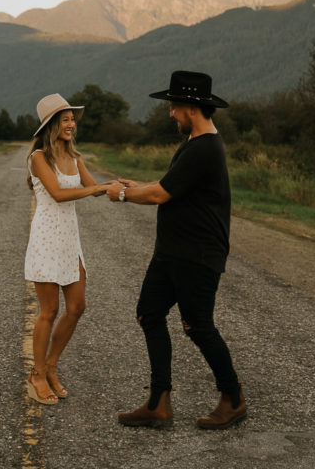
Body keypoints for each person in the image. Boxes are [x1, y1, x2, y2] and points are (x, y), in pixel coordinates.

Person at [106, 70, 246, 430]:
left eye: (173, 107)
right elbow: (167, 184)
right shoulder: (192, 144)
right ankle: (158, 402)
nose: (170, 114)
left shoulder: (206, 148)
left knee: (198, 326)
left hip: (197, 255)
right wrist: (138, 184)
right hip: (171, 252)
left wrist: (123, 194)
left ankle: (233, 399)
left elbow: (160, 194)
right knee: (149, 314)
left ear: (192, 109)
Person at [24, 93, 113, 405]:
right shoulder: (38, 158)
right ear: (51, 125)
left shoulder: (76, 159)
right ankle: (36, 375)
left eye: (73, 119)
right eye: (65, 119)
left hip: (70, 240)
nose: (72, 124)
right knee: (49, 310)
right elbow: (60, 194)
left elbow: (96, 189)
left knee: (77, 307)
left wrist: (120, 186)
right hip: (47, 239)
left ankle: (50, 366)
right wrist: (98, 188)